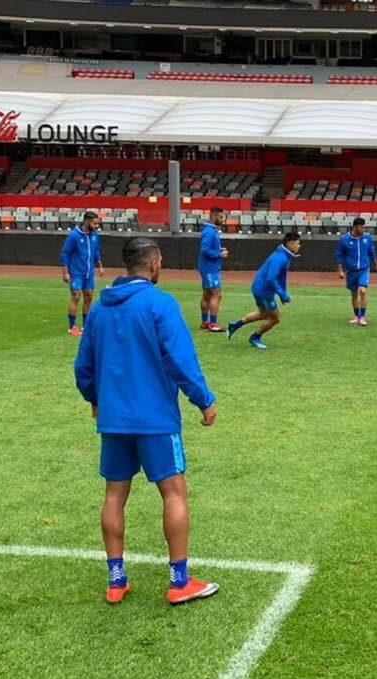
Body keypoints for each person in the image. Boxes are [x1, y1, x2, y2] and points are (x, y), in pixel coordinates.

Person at [74, 237, 220, 606]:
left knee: (113, 495)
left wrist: (95, 400)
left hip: (114, 421)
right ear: (154, 264)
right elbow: (181, 360)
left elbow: (83, 368)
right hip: (155, 420)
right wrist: (203, 400)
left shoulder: (99, 310)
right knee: (174, 493)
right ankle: (179, 580)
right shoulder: (160, 304)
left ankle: (116, 579)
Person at [226, 232, 302, 350]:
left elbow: (278, 277)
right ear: (290, 244)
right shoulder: (280, 258)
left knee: (263, 314)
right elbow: (271, 278)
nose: (299, 246)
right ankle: (255, 337)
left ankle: (235, 325)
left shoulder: (283, 255)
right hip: (264, 292)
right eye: (298, 243)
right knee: (275, 318)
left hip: (260, 288)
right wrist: (283, 294)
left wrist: (282, 293)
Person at [59, 211, 104, 337]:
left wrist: (100, 266)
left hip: (89, 273)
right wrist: (65, 272)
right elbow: (65, 253)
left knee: (89, 297)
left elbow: (96, 251)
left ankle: (86, 326)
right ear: (87, 222)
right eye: (94, 224)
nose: (96, 226)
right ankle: (72, 326)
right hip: (76, 272)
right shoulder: (74, 236)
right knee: (76, 296)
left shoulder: (95, 235)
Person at [334, 218, 377, 327]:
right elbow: (339, 255)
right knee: (354, 294)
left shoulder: (367, 238)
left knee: (363, 291)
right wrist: (340, 270)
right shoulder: (344, 239)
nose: (364, 229)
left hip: (364, 269)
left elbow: (372, 251)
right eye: (361, 227)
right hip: (351, 271)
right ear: (355, 227)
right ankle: (356, 316)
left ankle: (362, 317)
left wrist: (376, 263)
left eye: (364, 227)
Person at [198, 207, 229, 333]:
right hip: (210, 268)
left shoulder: (211, 230)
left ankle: (205, 322)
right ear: (213, 216)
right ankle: (213, 324)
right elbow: (204, 250)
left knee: (207, 294)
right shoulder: (210, 232)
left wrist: (219, 250)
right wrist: (219, 254)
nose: (222, 220)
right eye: (220, 217)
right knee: (217, 294)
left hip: (207, 267)